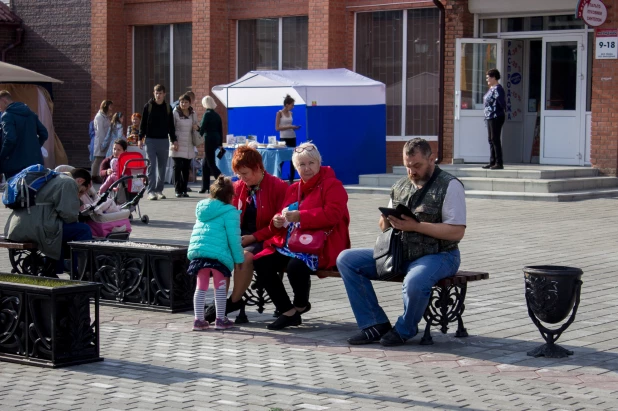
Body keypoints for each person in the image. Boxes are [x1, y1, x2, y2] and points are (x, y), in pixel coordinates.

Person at [337, 138, 466, 347]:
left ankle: (404, 329)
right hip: (400, 253)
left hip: (440, 255)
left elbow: (457, 232)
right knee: (346, 259)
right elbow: (383, 227)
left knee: (415, 281)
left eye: (417, 166)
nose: (412, 172)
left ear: (431, 159)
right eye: (408, 166)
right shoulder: (400, 185)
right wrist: (388, 219)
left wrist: (416, 226)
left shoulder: (450, 185)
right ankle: (374, 324)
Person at [253, 142, 350, 330]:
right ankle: (288, 312)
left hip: (321, 244)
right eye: (302, 165)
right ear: (296, 168)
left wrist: (301, 216)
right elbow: (283, 213)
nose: (307, 169)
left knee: (296, 266)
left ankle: (300, 305)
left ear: (319, 163)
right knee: (260, 261)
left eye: (311, 163)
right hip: (292, 242)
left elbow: (333, 215)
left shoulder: (332, 185)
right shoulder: (293, 188)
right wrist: (277, 221)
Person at [203, 146, 289, 323]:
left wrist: (253, 237)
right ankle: (219, 301)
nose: (241, 179)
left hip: (266, 237)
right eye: (239, 174)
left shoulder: (278, 186)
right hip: (240, 236)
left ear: (258, 167)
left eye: (245, 174)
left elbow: (279, 224)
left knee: (244, 256)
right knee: (218, 254)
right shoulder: (238, 187)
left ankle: (233, 301)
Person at [4, 167, 93, 277]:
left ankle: (55, 265)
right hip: (37, 228)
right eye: (82, 191)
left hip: (16, 228)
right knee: (83, 230)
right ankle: (80, 269)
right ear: (80, 181)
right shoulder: (68, 182)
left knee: (63, 228)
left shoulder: (50, 177)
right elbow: (69, 216)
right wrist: (77, 200)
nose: (80, 194)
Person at [187, 176, 244, 331]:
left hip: (199, 254)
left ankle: (198, 319)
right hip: (218, 255)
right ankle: (220, 319)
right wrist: (239, 259)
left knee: (201, 286)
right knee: (220, 286)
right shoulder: (230, 211)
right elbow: (234, 239)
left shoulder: (202, 208)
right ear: (230, 196)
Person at [138, 84, 177, 201]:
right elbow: (143, 124)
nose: (158, 95)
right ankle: (151, 191)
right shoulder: (148, 106)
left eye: (160, 93)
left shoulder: (168, 108)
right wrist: (140, 138)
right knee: (151, 166)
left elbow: (171, 126)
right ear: (153, 93)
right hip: (150, 140)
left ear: (164, 94)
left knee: (162, 167)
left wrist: (174, 140)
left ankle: (159, 190)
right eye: (156, 93)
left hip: (164, 140)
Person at [0, 90, 49, 180]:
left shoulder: (7, 115)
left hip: (14, 164)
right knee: (33, 191)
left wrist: (2, 156)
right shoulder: (31, 114)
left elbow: (10, 139)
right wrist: (35, 147)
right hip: (35, 163)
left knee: (15, 192)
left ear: (4, 101)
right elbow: (44, 134)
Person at [171, 93, 198, 198]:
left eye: (186, 102)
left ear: (189, 103)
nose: (184, 104)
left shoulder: (193, 113)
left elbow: (197, 125)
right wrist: (173, 141)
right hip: (177, 143)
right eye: (182, 102)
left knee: (186, 168)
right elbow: (171, 128)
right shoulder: (175, 113)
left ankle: (184, 189)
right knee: (177, 167)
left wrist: (197, 127)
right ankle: (177, 190)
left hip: (189, 143)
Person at [482, 68, 506, 170]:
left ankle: (499, 162)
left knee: (495, 139)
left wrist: (498, 112)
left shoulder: (498, 89)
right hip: (489, 117)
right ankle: (492, 162)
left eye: (488, 77)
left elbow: (502, 103)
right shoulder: (491, 89)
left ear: (494, 77)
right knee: (491, 139)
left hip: (496, 116)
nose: (487, 79)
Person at [198, 95, 223, 194]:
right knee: (205, 164)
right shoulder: (217, 115)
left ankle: (222, 181)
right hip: (216, 140)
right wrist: (220, 143)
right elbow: (220, 130)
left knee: (211, 163)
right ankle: (205, 186)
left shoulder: (207, 114)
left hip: (208, 139)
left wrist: (197, 131)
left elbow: (202, 127)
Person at [275, 94, 301, 183]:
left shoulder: (291, 113)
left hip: (292, 137)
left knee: (293, 159)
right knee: (281, 160)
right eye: (292, 105)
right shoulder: (279, 113)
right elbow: (277, 128)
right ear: (287, 104)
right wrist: (289, 127)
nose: (293, 107)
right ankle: (278, 179)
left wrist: (293, 127)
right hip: (284, 139)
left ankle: (292, 180)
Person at [92, 100, 113, 183]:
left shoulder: (105, 116)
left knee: (102, 159)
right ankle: (94, 175)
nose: (111, 108)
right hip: (101, 141)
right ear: (106, 106)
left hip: (105, 141)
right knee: (98, 158)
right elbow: (100, 132)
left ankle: (99, 175)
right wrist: (103, 144)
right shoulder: (99, 117)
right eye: (110, 106)